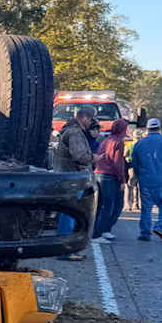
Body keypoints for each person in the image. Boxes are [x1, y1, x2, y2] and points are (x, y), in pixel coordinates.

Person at [53, 106, 98, 259]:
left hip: (67, 178)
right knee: (70, 214)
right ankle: (66, 250)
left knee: (67, 214)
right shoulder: (75, 132)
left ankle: (66, 248)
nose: (91, 122)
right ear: (85, 117)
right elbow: (79, 156)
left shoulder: (69, 130)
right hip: (73, 180)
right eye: (91, 119)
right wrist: (94, 158)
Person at [129, 117, 162, 241]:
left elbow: (134, 162)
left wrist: (138, 175)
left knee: (146, 207)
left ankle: (145, 233)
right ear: (159, 128)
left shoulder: (139, 143)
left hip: (146, 180)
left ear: (147, 129)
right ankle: (161, 226)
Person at [92, 117, 128, 240]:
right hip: (109, 176)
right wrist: (122, 180)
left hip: (98, 174)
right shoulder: (118, 142)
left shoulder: (106, 141)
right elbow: (118, 163)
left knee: (102, 205)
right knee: (113, 205)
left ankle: (102, 230)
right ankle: (98, 233)